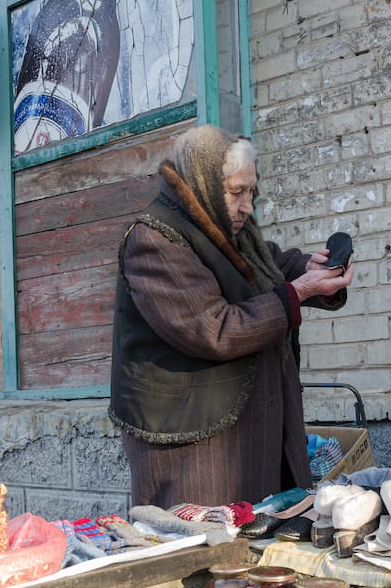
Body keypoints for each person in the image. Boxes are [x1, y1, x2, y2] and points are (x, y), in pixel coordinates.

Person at [109, 124, 354, 508]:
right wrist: (299, 291)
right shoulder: (154, 240)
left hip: (245, 432)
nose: (247, 206)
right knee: (204, 553)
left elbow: (269, 264)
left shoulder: (224, 228)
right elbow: (212, 328)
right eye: (237, 192)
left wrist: (314, 268)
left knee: (255, 546)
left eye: (251, 191)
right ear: (203, 182)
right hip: (194, 444)